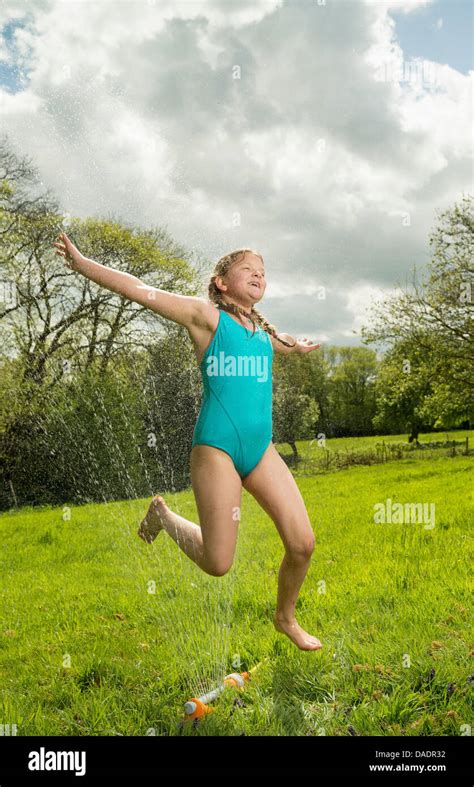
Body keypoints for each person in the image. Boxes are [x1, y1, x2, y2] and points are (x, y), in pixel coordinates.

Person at [53, 233, 323, 651]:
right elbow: (139, 289)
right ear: (221, 282)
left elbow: (278, 345)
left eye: (263, 272)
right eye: (248, 268)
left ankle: (285, 617)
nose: (258, 274)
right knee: (218, 562)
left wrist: (296, 347)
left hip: (260, 451)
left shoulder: (260, 332)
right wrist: (83, 262)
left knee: (303, 543)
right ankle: (163, 516)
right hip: (216, 450)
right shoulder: (205, 316)